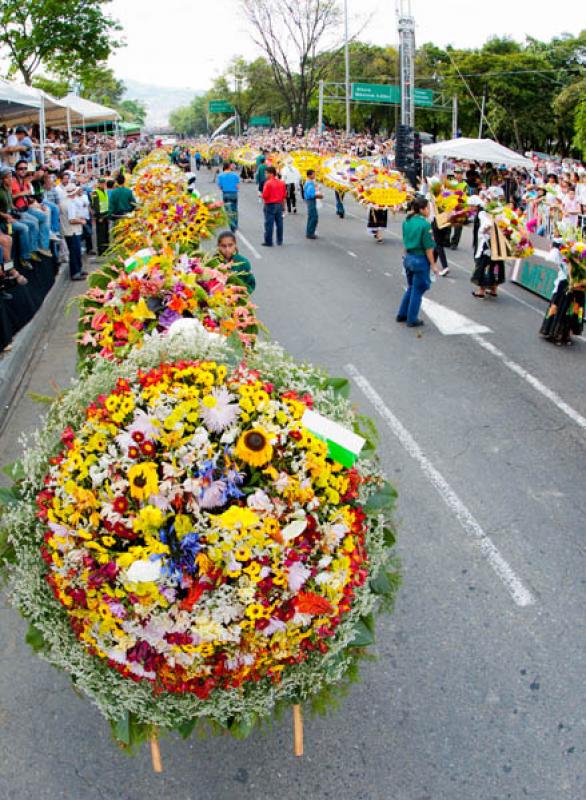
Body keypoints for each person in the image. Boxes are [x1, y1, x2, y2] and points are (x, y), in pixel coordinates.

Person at [396, 196, 439, 327]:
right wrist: (433, 265)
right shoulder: (425, 225)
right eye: (428, 208)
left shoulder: (407, 221)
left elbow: (405, 241)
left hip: (408, 258)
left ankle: (402, 314)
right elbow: (428, 248)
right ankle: (412, 318)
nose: (429, 210)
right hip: (420, 260)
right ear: (422, 209)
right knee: (418, 290)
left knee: (411, 287)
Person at [540, 241, 585, 346]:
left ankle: (567, 333)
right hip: (566, 281)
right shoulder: (568, 241)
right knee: (562, 307)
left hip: (579, 286)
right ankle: (555, 332)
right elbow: (557, 249)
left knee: (573, 310)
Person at [11, 160, 51, 258]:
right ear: (16, 170)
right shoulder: (12, 181)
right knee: (34, 222)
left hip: (27, 207)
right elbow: (9, 198)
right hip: (18, 211)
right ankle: (33, 249)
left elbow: (27, 197)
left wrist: (36, 203)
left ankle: (43, 246)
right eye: (21, 169)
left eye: (25, 168)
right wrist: (22, 193)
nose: (23, 171)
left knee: (44, 216)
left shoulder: (24, 182)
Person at [0, 166, 35, 270]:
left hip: (10, 217)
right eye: (7, 177)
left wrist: (16, 212)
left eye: (11, 176)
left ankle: (31, 251)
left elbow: (10, 206)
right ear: (2, 179)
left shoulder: (8, 189)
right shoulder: (1, 191)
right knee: (23, 229)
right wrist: (6, 216)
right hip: (4, 221)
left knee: (32, 223)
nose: (10, 179)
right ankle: (23, 258)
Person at [60, 184, 87, 281]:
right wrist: (82, 221)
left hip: (67, 230)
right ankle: (76, 272)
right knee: (75, 252)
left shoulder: (63, 201)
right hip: (73, 231)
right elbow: (72, 220)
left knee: (75, 252)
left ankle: (78, 270)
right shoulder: (70, 204)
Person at [261, 166, 286, 247]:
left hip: (270, 205)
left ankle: (268, 241)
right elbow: (284, 196)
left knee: (269, 224)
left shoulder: (268, 183)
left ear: (271, 174)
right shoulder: (281, 183)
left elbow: (265, 195)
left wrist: (261, 195)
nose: (265, 175)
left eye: (266, 173)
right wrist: (284, 207)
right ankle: (279, 240)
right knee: (279, 223)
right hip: (279, 204)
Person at [217, 162, 240, 232]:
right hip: (234, 194)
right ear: (229, 167)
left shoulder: (220, 176)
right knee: (234, 210)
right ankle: (235, 224)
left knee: (228, 211)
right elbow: (238, 187)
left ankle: (231, 224)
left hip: (225, 194)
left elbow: (220, 187)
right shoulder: (235, 175)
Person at [91, 177, 110, 255]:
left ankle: (106, 249)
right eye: (101, 183)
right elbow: (95, 206)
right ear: (98, 183)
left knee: (106, 233)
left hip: (105, 214)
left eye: (104, 183)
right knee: (101, 234)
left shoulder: (104, 191)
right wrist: (99, 217)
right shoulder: (95, 192)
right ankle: (101, 250)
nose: (103, 184)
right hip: (100, 216)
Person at [304, 169, 322, 239]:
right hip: (311, 201)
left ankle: (309, 232)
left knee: (311, 217)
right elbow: (311, 195)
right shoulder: (309, 183)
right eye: (313, 174)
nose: (314, 175)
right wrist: (320, 196)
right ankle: (310, 233)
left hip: (311, 201)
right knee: (314, 217)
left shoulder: (311, 182)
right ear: (309, 175)